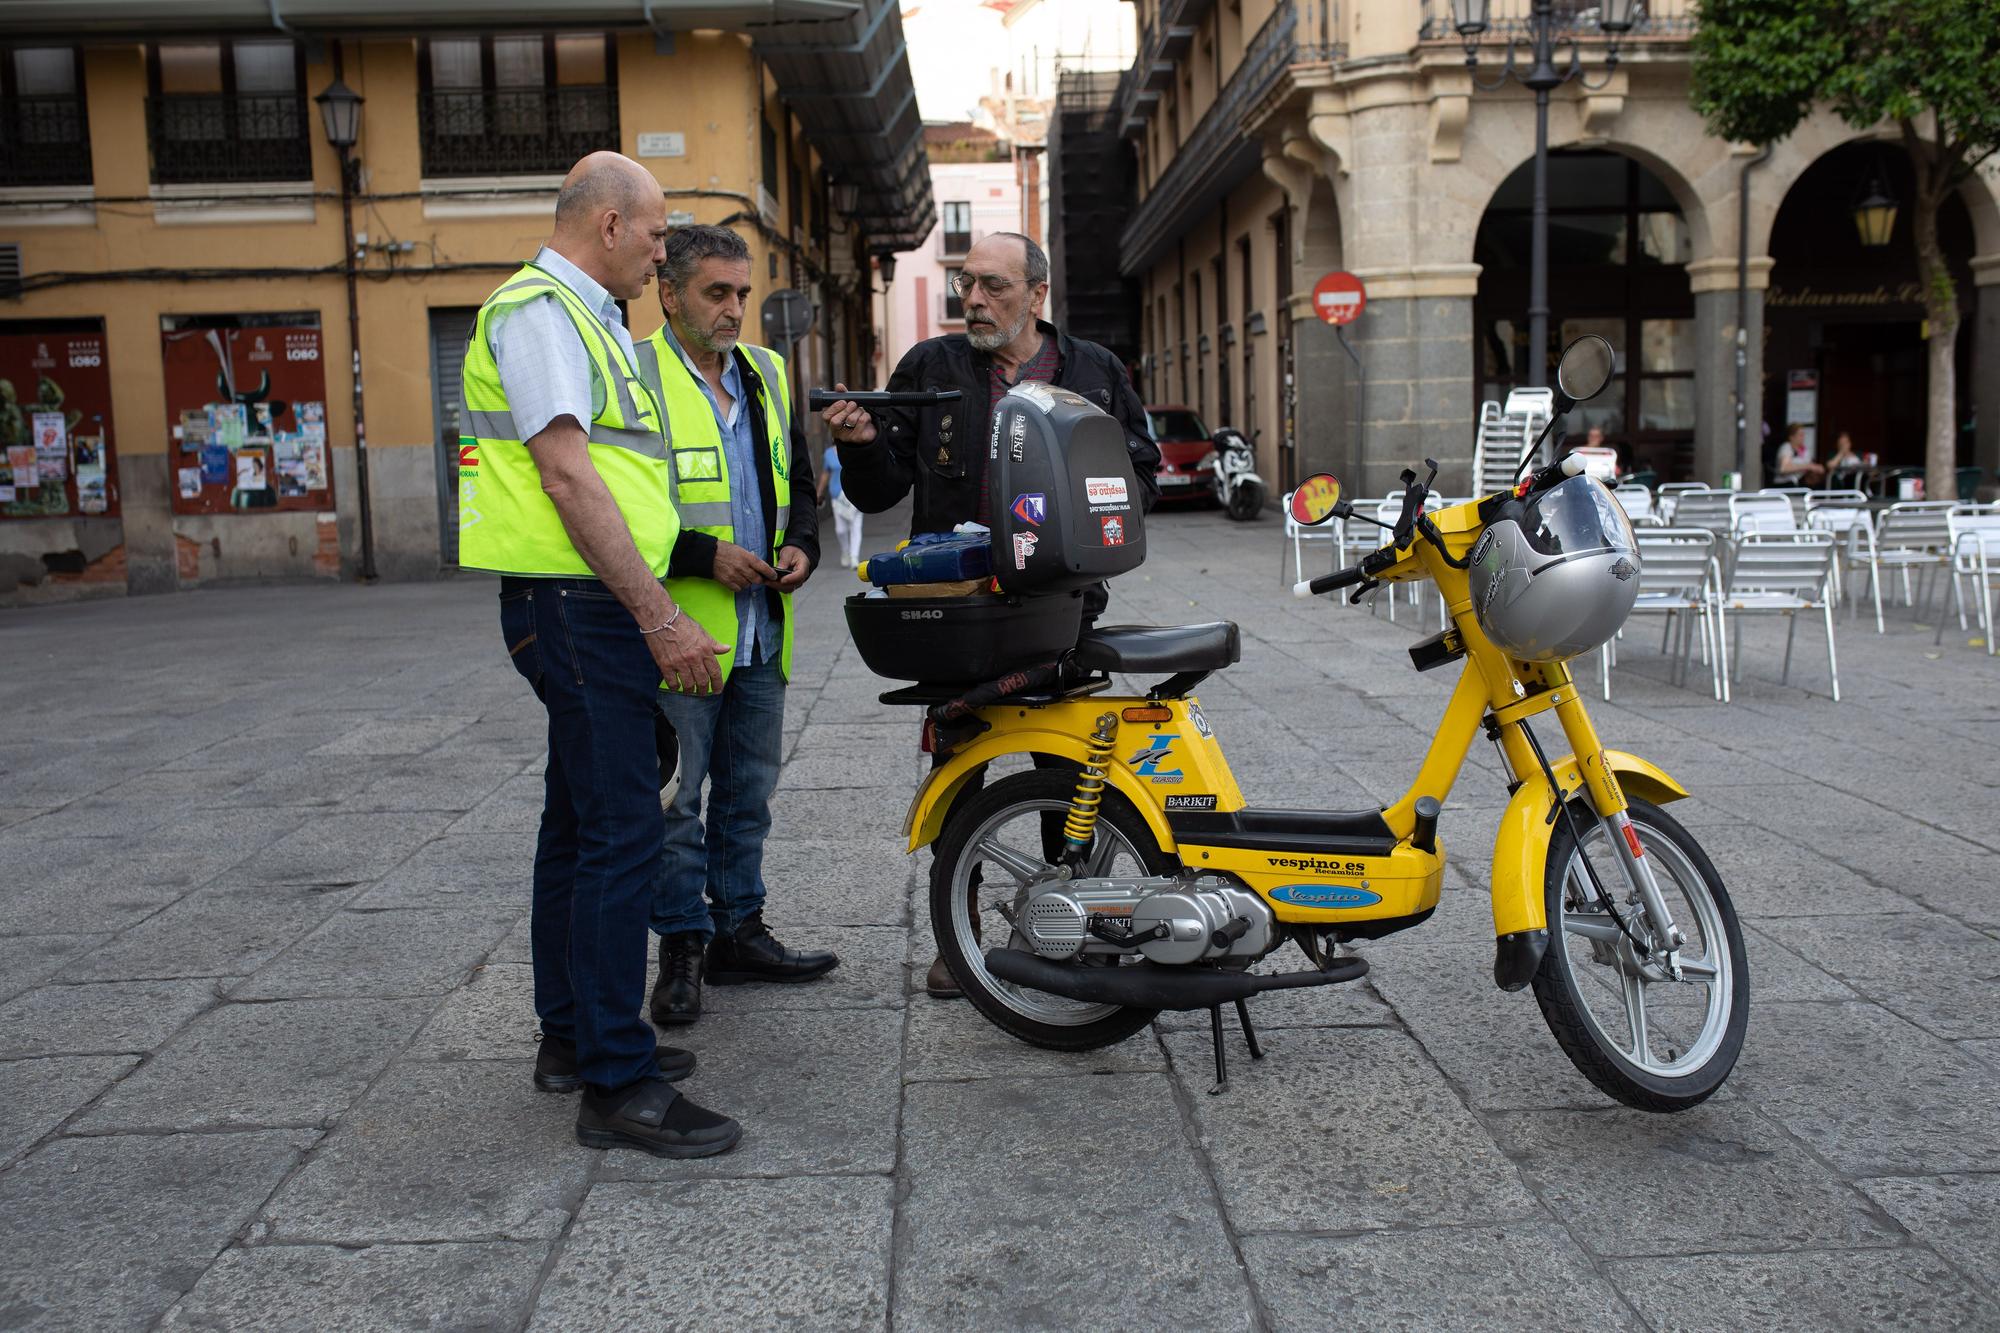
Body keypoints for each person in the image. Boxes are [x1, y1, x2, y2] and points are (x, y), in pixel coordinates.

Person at [459, 152, 740, 1160]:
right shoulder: (541, 313)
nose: (665, 252)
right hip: (576, 606)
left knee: (579, 824)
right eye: (659, 234)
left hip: (581, 602)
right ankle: (617, 1080)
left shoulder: (597, 323)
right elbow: (570, 478)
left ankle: (572, 1038)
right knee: (624, 828)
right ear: (611, 225)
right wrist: (659, 615)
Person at [818, 231, 1161, 999]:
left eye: (993, 286)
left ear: (1037, 295)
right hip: (959, 612)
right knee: (959, 773)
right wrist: (863, 445)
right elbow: (878, 491)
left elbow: (1141, 473)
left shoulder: (1094, 372)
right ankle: (959, 931)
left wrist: (1091, 515)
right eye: (965, 284)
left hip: (1060, 609)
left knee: (1066, 767)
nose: (972, 300)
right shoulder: (932, 369)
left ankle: (1069, 921)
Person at [633, 224, 838, 1028]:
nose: (734, 309)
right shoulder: (635, 375)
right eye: (717, 293)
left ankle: (739, 929)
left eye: (743, 293)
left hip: (762, 627)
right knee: (678, 802)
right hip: (681, 630)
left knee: (749, 793)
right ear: (670, 291)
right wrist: (697, 554)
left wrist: (803, 545)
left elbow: (800, 484)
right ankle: (681, 945)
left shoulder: (767, 372)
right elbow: (612, 508)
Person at [818, 440, 865, 568]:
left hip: (855, 494)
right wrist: (819, 493)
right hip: (837, 497)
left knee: (855, 526)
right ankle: (845, 551)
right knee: (841, 530)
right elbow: (825, 474)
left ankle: (854, 557)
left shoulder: (856, 449)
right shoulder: (829, 454)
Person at [1774, 422, 1825, 487]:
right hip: (1786, 484)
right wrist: (1808, 466)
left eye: (1803, 435)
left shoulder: (1804, 450)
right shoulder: (1786, 447)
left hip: (1801, 484)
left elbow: (1809, 466)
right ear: (1791, 437)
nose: (1803, 437)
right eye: (1800, 435)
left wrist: (1816, 468)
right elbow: (1784, 468)